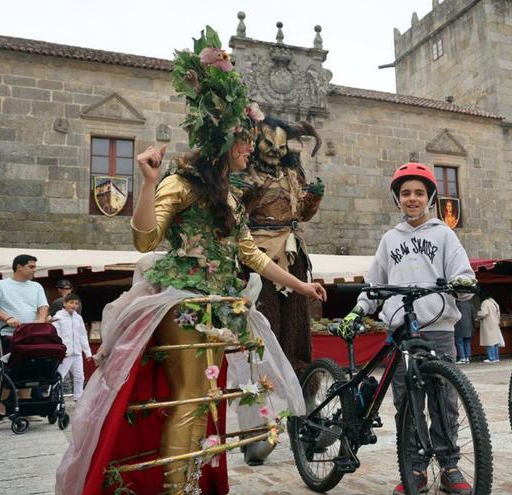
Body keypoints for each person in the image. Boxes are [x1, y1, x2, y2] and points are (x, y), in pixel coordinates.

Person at [55, 27, 325, 495]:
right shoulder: (180, 185)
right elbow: (144, 240)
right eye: (243, 143)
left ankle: (190, 483)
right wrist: (146, 182)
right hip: (182, 301)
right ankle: (177, 490)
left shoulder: (233, 198)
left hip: (220, 304)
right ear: (225, 144)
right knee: (189, 398)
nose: (250, 149)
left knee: (205, 401)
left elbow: (250, 254)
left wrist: (300, 286)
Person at [336, 162, 476, 495]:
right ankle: (414, 469)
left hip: (438, 329)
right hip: (401, 332)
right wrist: (358, 311)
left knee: (445, 400)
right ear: (397, 199)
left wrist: (462, 283)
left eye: (418, 193)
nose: (412, 199)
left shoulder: (444, 234)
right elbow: (375, 283)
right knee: (407, 404)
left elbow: (464, 275)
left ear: (430, 198)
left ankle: (449, 466)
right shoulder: (389, 240)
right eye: (405, 193)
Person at [232, 116, 325, 465]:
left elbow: (300, 211)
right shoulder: (243, 175)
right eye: (268, 144)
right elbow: (232, 214)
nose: (275, 151)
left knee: (297, 338)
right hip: (255, 260)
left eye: (281, 145)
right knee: (259, 341)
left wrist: (312, 199)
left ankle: (308, 417)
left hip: (292, 257)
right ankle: (256, 431)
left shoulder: (291, 175)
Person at [0, 254, 49, 414]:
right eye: (31, 267)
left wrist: (41, 320)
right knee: (5, 372)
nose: (34, 270)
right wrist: (8, 318)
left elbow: (43, 306)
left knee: (30, 371)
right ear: (19, 266)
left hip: (30, 334)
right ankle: (1, 409)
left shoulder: (36, 287)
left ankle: (26, 408)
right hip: (6, 334)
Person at [52, 294, 91, 401]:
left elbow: (83, 335)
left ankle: (78, 397)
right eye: (71, 303)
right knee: (60, 376)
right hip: (65, 353)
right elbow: (56, 336)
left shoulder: (78, 318)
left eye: (76, 303)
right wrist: (60, 350)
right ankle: (55, 397)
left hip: (77, 352)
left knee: (80, 377)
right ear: (65, 303)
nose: (74, 305)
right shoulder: (58, 317)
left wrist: (87, 353)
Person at [477, 288, 503, 363]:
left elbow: (484, 313)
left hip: (488, 324)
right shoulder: (493, 301)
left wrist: (478, 313)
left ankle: (491, 358)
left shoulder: (485, 303)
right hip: (495, 323)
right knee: (495, 342)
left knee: (489, 342)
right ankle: (496, 357)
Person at [454, 298, 476, 364]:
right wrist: (473, 327)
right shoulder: (470, 304)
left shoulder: (456, 305)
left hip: (459, 326)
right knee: (467, 342)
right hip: (469, 326)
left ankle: (462, 358)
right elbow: (473, 316)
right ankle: (467, 358)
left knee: (459, 342)